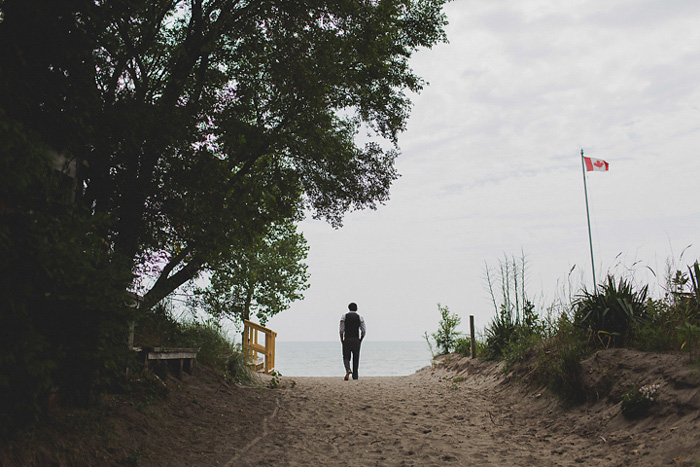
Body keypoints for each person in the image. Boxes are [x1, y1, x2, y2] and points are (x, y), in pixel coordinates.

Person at [339, 302, 366, 380]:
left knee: (346, 357)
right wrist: (361, 339)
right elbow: (363, 330)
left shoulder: (344, 317)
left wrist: (342, 340)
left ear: (348, 308)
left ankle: (348, 369)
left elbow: (341, 330)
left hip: (347, 338)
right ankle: (355, 376)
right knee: (356, 357)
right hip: (356, 339)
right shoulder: (360, 317)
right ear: (356, 308)